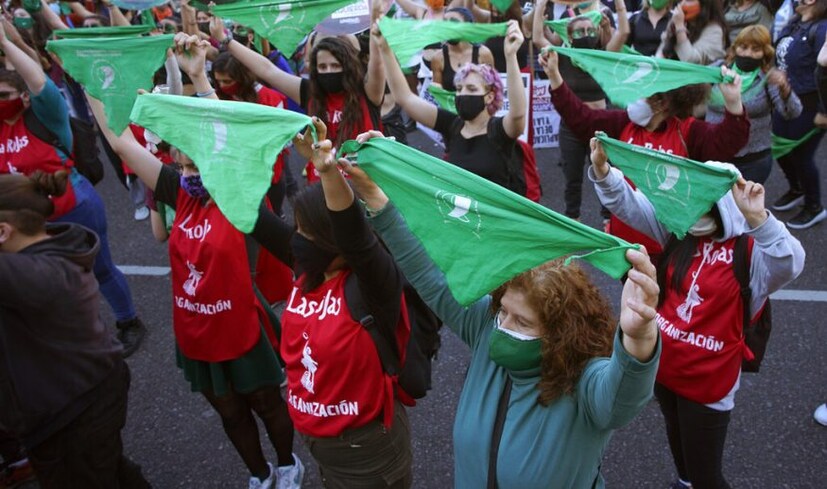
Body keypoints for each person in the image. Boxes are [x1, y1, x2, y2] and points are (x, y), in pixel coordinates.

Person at [335, 129, 662, 488]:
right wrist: (377, 197)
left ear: (561, 330)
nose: (503, 325)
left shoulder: (584, 382)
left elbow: (622, 396)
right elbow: (428, 274)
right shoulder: (485, 329)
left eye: (522, 321)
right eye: (504, 311)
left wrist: (638, 336)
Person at [89, 34, 304, 489]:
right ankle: (259, 473)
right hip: (195, 331)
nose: (189, 177)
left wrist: (200, 77)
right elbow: (123, 143)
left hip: (243, 329)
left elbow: (224, 136)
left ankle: (287, 464)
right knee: (229, 411)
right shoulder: (176, 193)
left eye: (198, 168)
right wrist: (89, 79)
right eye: (183, 169)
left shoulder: (239, 197)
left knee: (266, 404)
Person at [588, 138, 805, 489]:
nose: (693, 214)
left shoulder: (750, 253)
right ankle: (683, 481)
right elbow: (630, 204)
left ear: (725, 206)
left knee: (707, 474)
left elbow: (791, 262)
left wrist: (759, 219)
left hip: (709, 384)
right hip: (663, 367)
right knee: (680, 447)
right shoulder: (681, 231)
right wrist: (603, 172)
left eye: (704, 205)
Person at [0, 19, 147, 356]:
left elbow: (37, 79)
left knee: (99, 268)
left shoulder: (44, 116)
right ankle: (82, 333)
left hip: (74, 207)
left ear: (23, 98)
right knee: (47, 283)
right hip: (26, 223)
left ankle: (129, 322)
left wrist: (6, 42)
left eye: (4, 95)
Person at [0, 171, 150, 488]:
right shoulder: (53, 245)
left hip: (73, 411)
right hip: (93, 391)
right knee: (108, 467)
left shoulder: (33, 273)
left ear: (3, 231)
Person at [539, 47, 750, 260]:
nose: (633, 99)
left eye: (641, 93)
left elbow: (728, 140)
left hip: (668, 246)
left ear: (662, 103)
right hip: (625, 243)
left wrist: (733, 102)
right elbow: (582, 119)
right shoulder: (623, 124)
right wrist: (555, 76)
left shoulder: (688, 132)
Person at [209, 0, 386, 182]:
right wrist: (225, 41)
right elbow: (268, 71)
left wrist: (375, 22)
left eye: (335, 65)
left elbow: (378, 64)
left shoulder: (366, 92)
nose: (328, 71)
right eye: (322, 66)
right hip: (322, 187)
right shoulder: (310, 92)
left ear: (348, 66)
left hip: (365, 186)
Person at [378, 20, 528, 193]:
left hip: (497, 218)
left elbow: (517, 114)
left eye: (471, 88)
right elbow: (405, 98)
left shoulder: (500, 130)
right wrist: (385, 50)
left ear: (490, 96)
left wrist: (510, 55)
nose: (462, 93)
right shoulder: (452, 125)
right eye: (459, 88)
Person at [533, 0, 626, 220]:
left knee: (607, 177)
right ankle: (572, 222)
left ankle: (608, 223)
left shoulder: (603, 55)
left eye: (590, 30)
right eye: (580, 31)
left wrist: (619, 6)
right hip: (572, 127)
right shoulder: (561, 56)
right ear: (570, 36)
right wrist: (540, 5)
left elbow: (623, 33)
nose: (586, 33)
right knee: (572, 179)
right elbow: (538, 38)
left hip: (601, 127)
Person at [706, 25, 801, 184]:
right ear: (735, 48)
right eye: (743, 47)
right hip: (715, 155)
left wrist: (785, 89)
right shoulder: (718, 69)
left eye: (755, 49)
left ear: (764, 52)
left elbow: (792, 112)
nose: (748, 54)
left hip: (752, 161)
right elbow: (689, 87)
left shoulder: (768, 78)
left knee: (745, 207)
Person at [769, 0, 827, 229]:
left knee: (802, 155)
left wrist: (824, 111)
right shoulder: (794, 23)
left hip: (811, 105)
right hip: (786, 101)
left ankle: (814, 207)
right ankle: (797, 189)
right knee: (779, 149)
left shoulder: (822, 29)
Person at [429, 7, 495, 92]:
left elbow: (492, 89)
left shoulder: (483, 54)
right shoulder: (438, 58)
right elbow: (438, 93)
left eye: (454, 22)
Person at [657, 0, 728, 64]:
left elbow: (689, 60)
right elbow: (662, 50)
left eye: (689, 0)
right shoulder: (678, 20)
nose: (682, 4)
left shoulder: (714, 30)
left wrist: (680, 27)